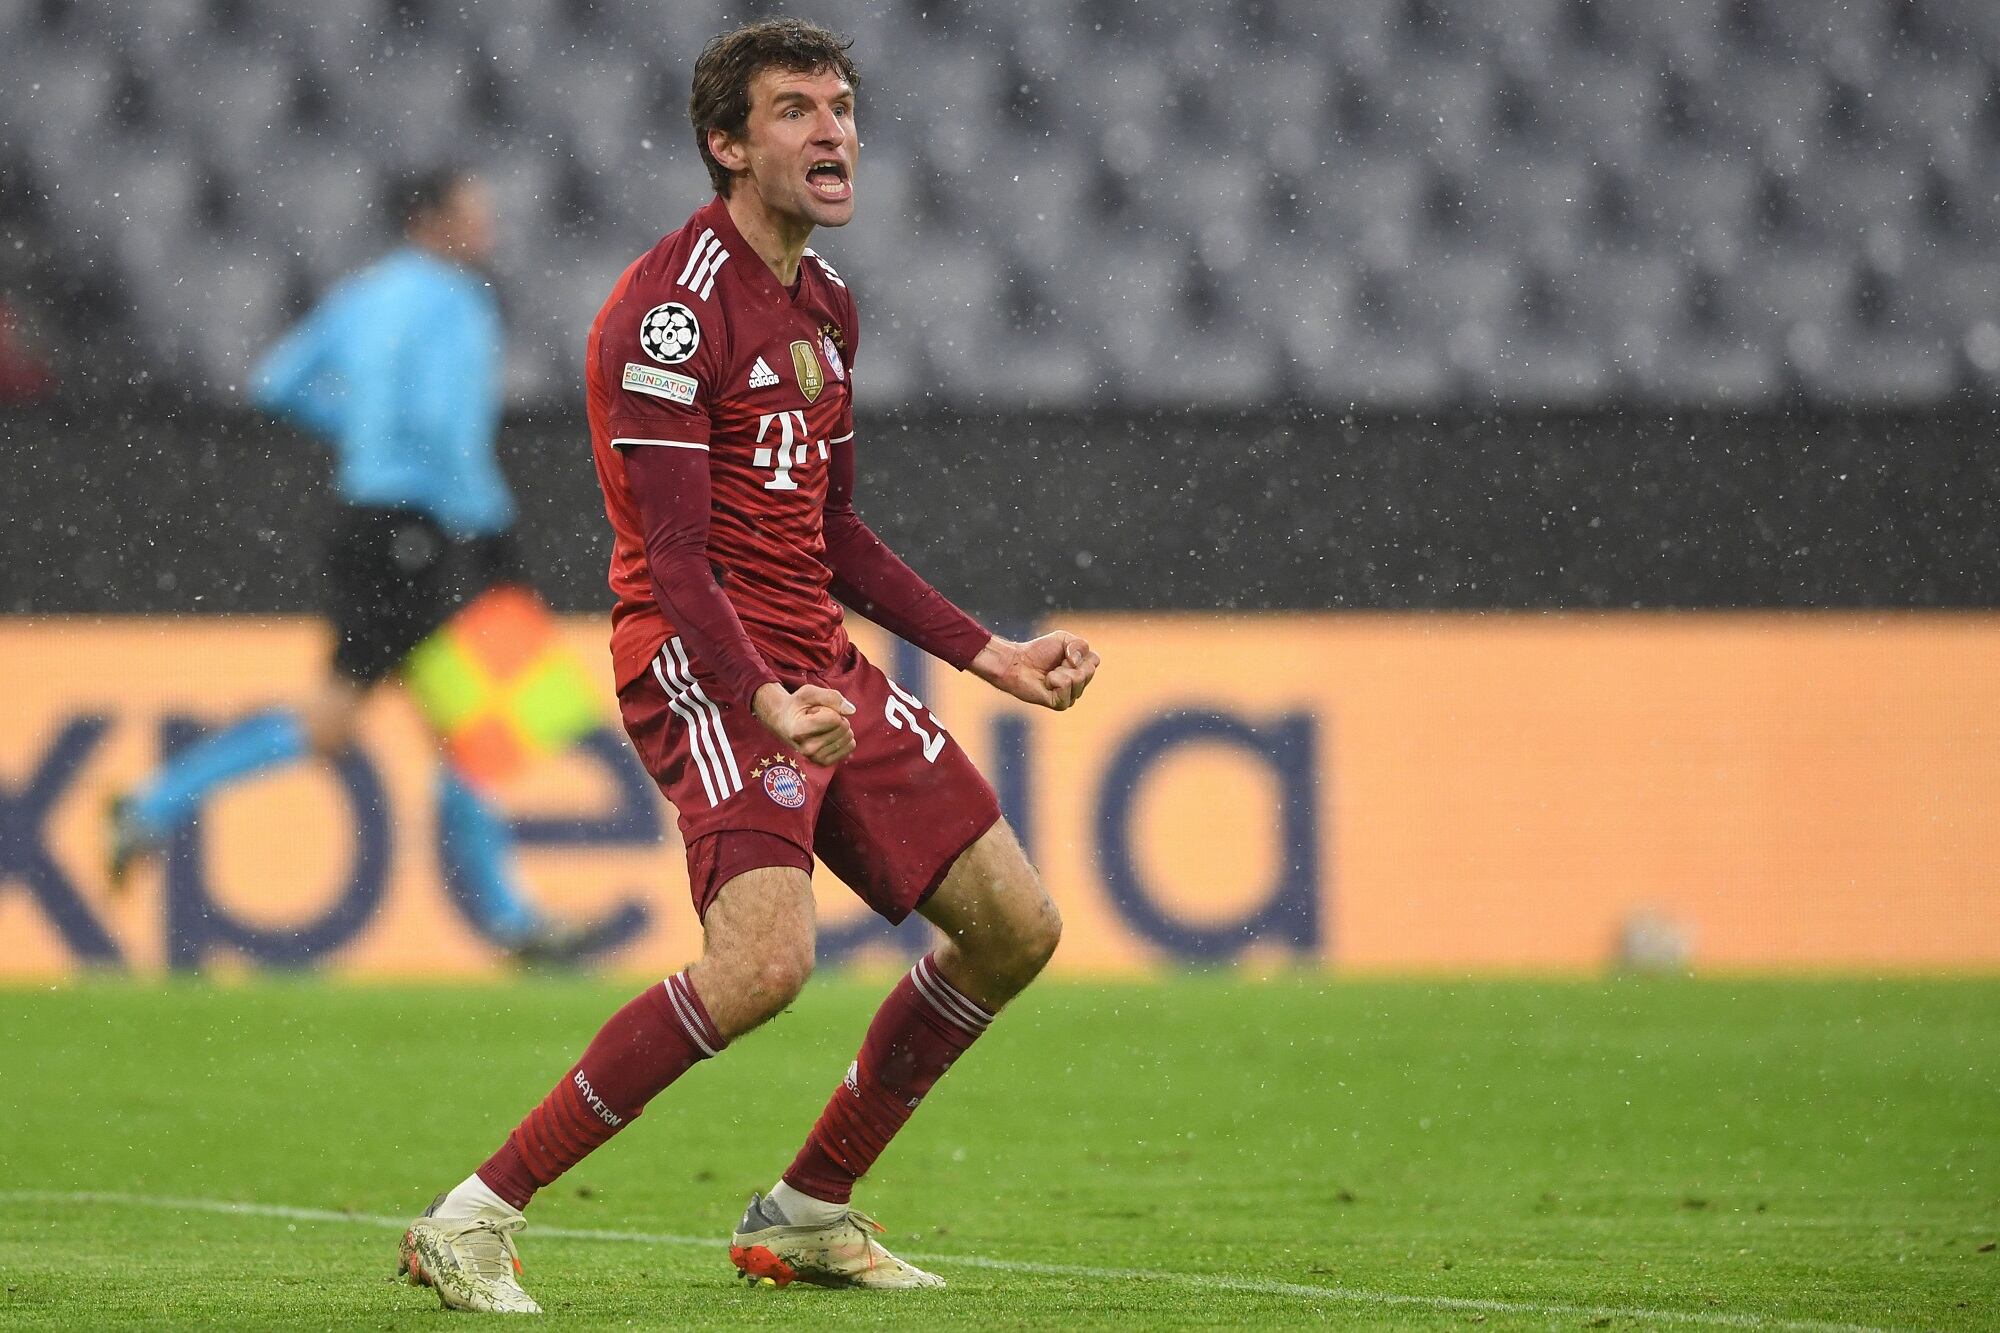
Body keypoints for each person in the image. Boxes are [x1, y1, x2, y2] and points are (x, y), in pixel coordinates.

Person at [396, 18, 1101, 1312]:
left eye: (841, 106)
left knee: (1015, 926)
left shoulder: (828, 305)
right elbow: (672, 559)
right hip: (702, 662)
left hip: (814, 662)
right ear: (726, 144)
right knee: (763, 966)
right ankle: (475, 1216)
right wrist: (760, 694)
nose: (833, 129)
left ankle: (808, 1210)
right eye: (793, 110)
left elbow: (834, 532)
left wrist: (988, 653)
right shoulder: (668, 316)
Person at [108, 169, 603, 963]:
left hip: (365, 522)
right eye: (475, 213)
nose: (490, 228)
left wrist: (365, 433)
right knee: (416, 718)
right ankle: (153, 802)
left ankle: (517, 923)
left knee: (441, 721)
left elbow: (275, 383)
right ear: (430, 218)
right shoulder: (459, 303)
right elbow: (449, 431)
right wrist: (495, 535)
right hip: (424, 529)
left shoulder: (366, 292)